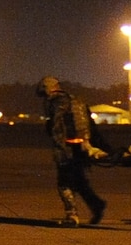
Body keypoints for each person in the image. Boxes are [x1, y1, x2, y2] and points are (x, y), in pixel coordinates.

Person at [35, 76, 107, 226]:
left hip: (67, 147)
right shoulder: (76, 100)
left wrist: (59, 148)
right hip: (83, 145)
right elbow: (90, 124)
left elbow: (57, 126)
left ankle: (71, 215)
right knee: (79, 180)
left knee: (64, 183)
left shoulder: (56, 102)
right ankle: (96, 204)